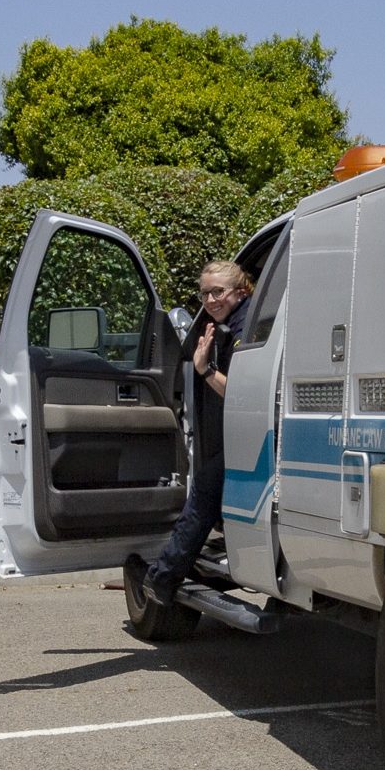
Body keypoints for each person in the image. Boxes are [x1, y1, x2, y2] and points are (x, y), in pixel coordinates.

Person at [137, 260, 252, 606]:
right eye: (205, 293)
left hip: (253, 435)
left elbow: (240, 392)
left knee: (203, 491)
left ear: (240, 291)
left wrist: (204, 371)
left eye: (218, 291)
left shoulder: (245, 325)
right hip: (247, 435)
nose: (211, 300)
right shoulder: (232, 321)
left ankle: (160, 580)